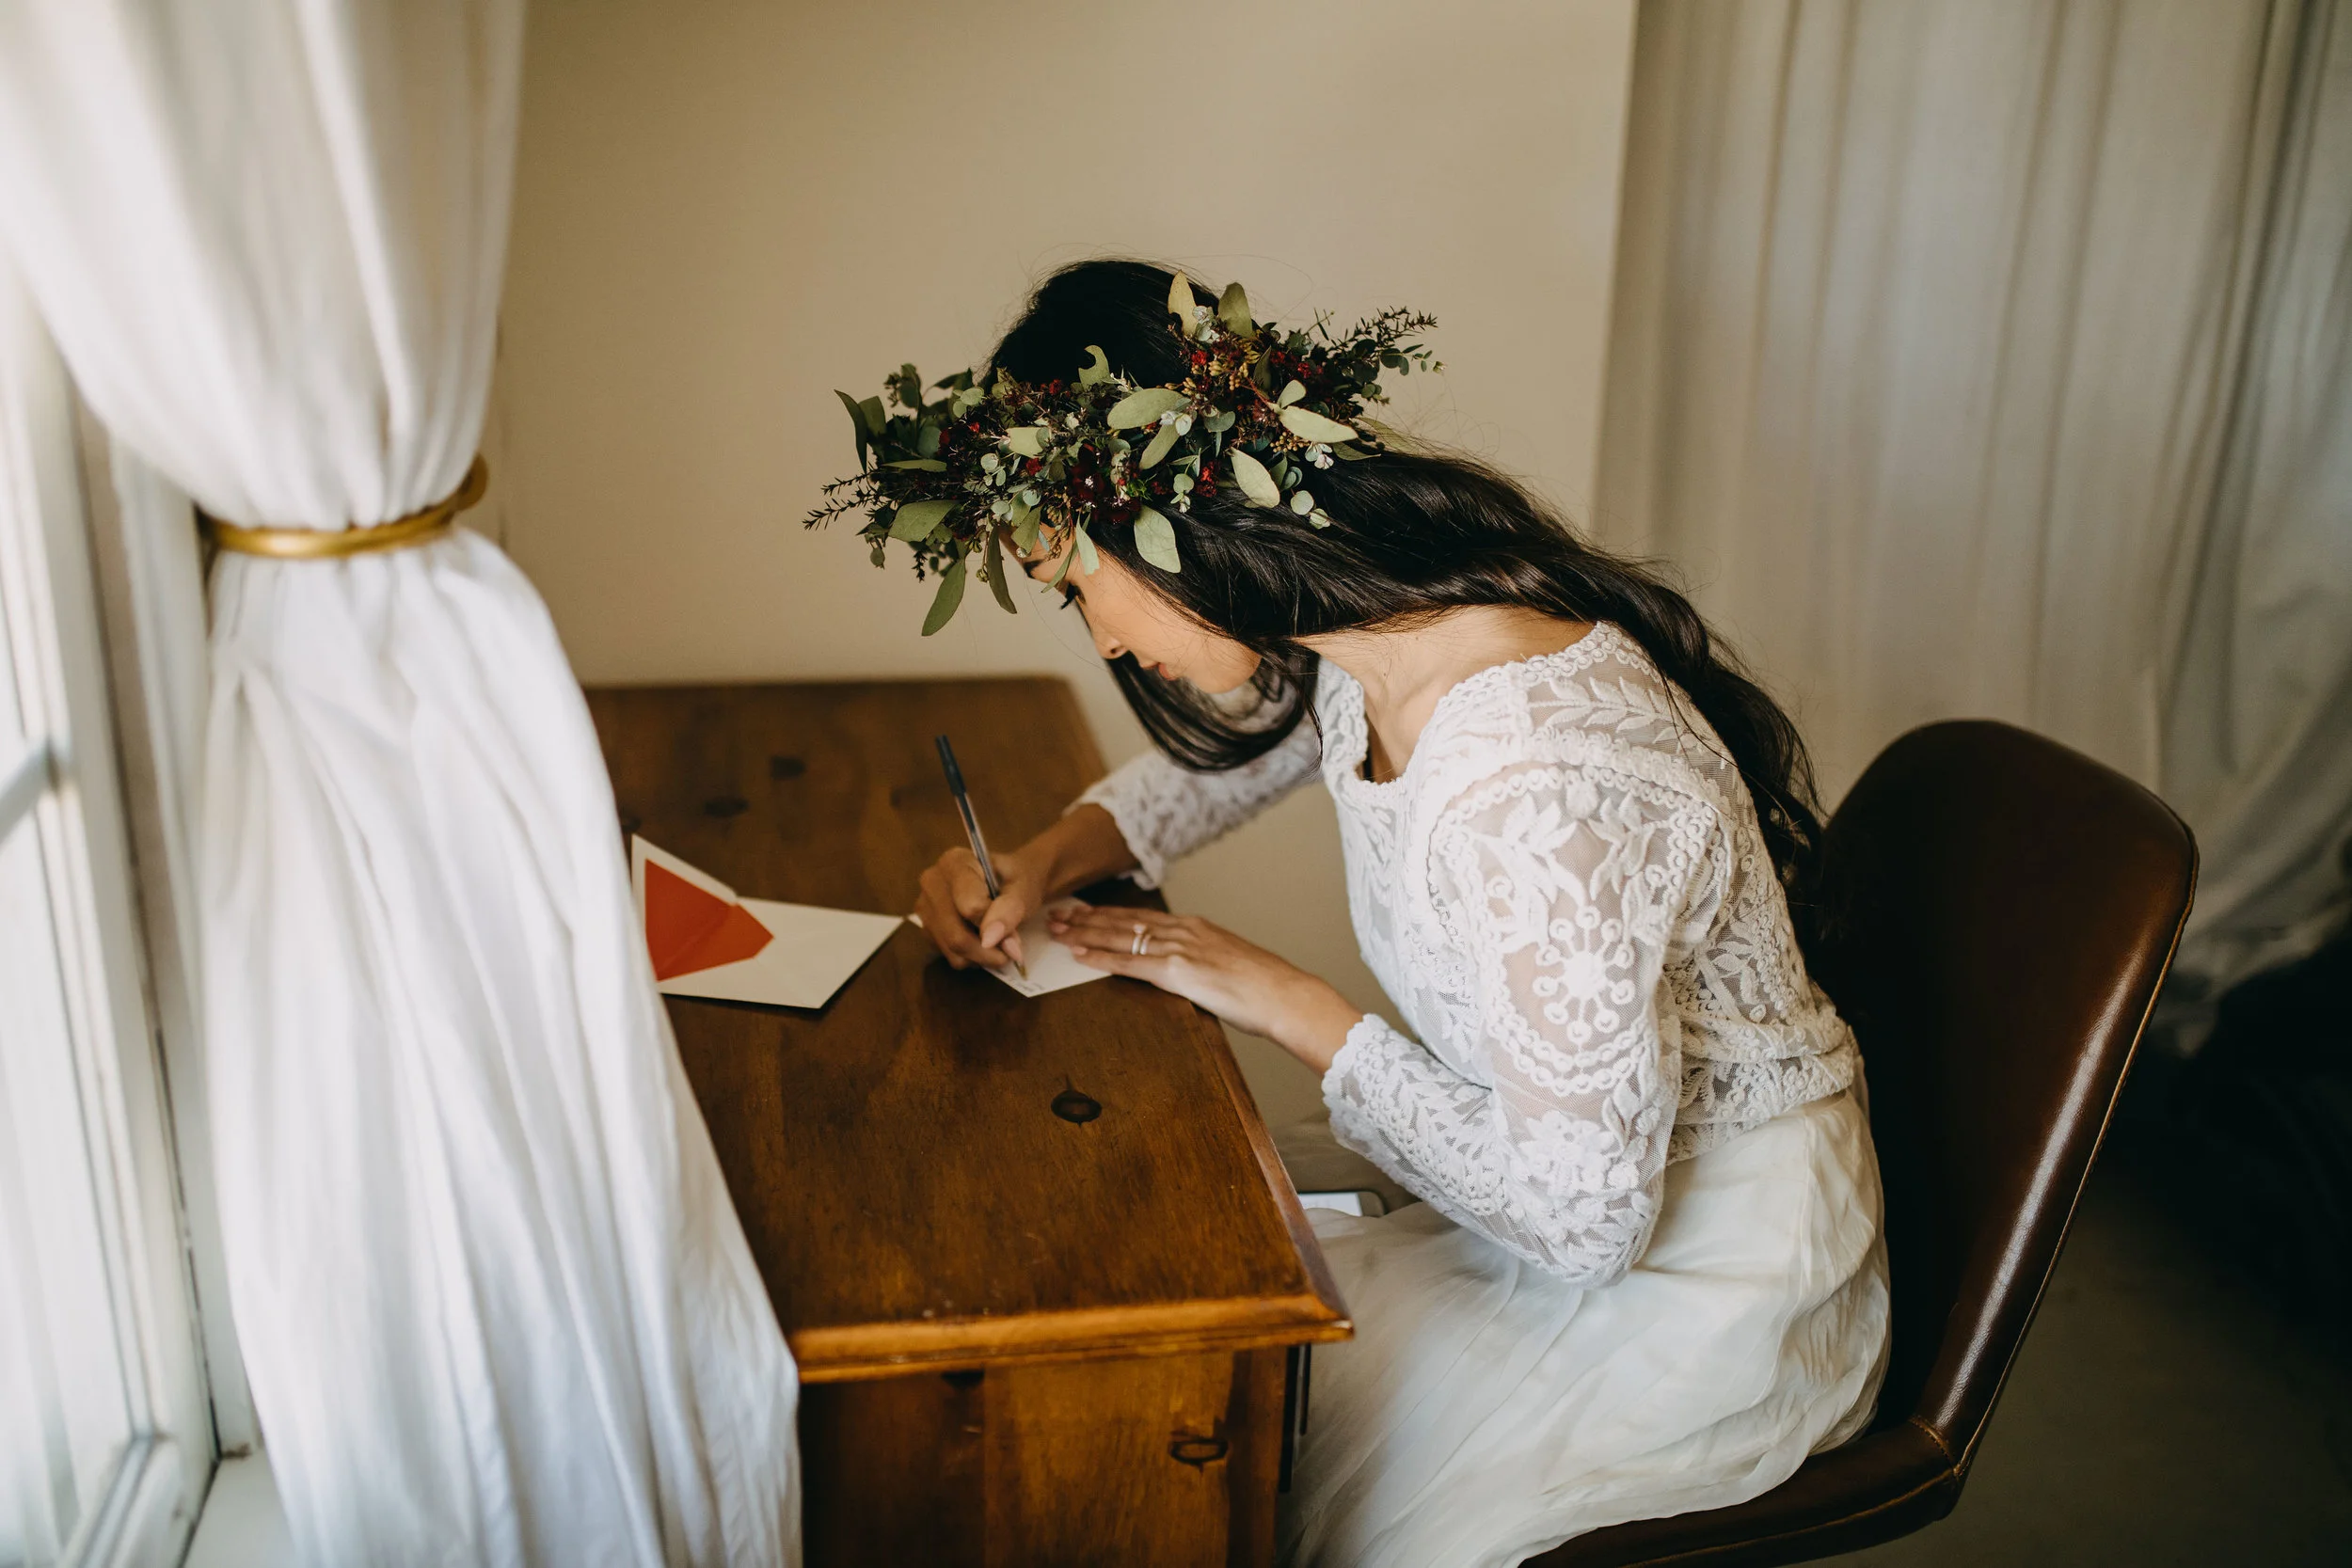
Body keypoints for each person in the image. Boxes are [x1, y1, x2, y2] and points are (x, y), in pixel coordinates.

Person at [844, 259, 1888, 1567]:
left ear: (1175, 512)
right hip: (1555, 1214)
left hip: (1711, 1280)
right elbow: (1232, 765)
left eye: (1072, 584)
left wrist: (1286, 1001)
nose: (1099, 639)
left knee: (1218, 1453)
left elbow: (1587, 1222)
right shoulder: (1377, 636)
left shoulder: (1533, 780)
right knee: (1193, 1412)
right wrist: (1049, 858)